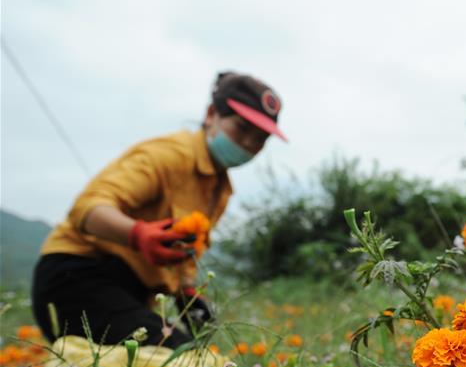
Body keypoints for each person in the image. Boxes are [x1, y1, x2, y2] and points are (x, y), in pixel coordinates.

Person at [31, 72, 287, 348]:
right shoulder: (168, 155)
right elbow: (87, 208)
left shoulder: (220, 189)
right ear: (212, 114)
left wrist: (187, 293)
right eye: (242, 128)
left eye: (260, 139)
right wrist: (138, 235)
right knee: (178, 357)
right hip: (76, 279)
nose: (249, 143)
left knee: (190, 358)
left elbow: (187, 252)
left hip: (131, 292)